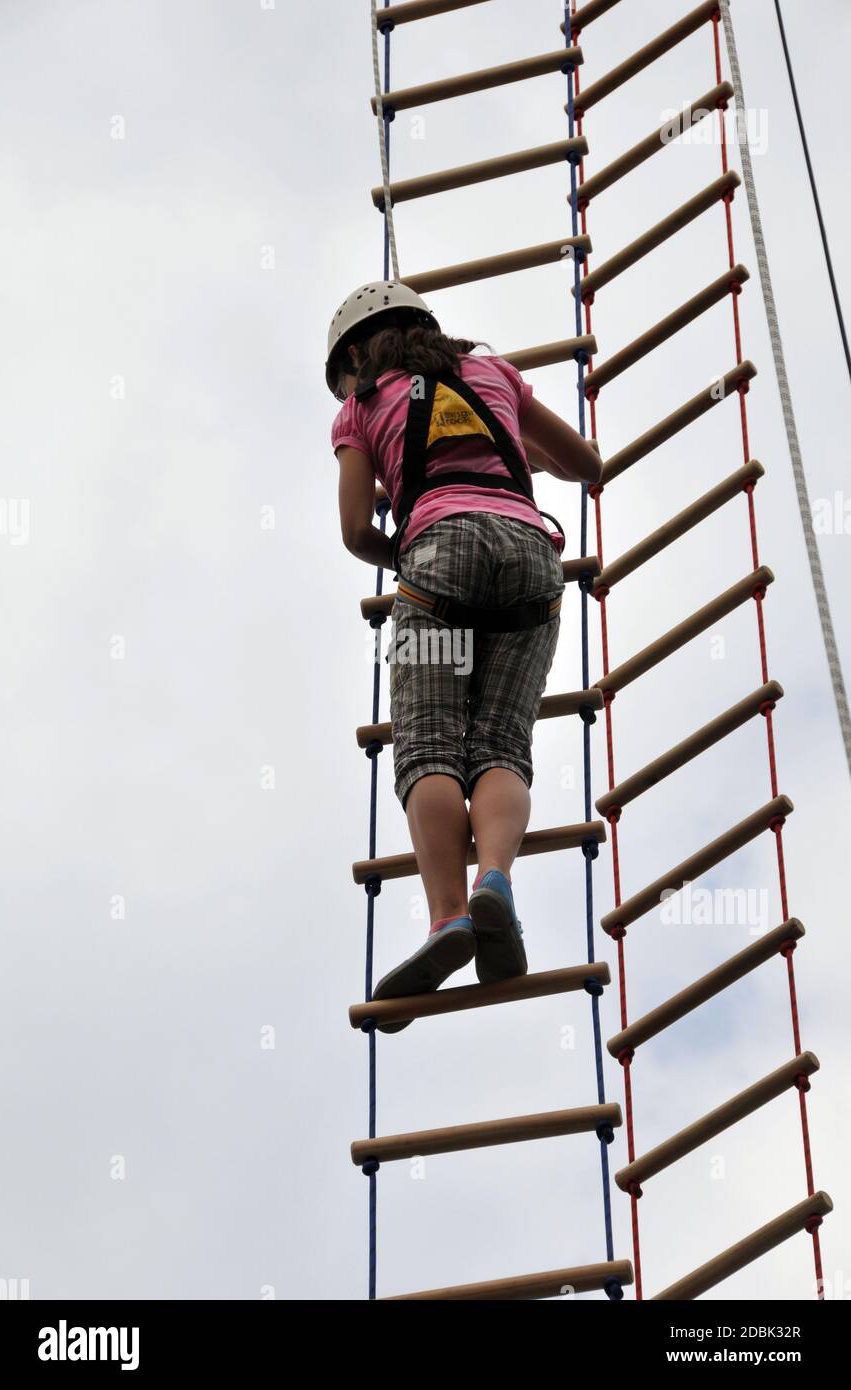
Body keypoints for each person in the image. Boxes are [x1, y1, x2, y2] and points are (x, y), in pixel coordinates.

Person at [327, 281, 602, 1031]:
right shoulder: (490, 371)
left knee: (428, 746)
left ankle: (450, 916)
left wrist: (408, 547)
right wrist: (517, 459)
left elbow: (355, 531)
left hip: (438, 566)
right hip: (527, 562)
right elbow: (584, 463)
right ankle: (495, 880)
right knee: (501, 742)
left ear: (356, 356)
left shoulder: (358, 409)